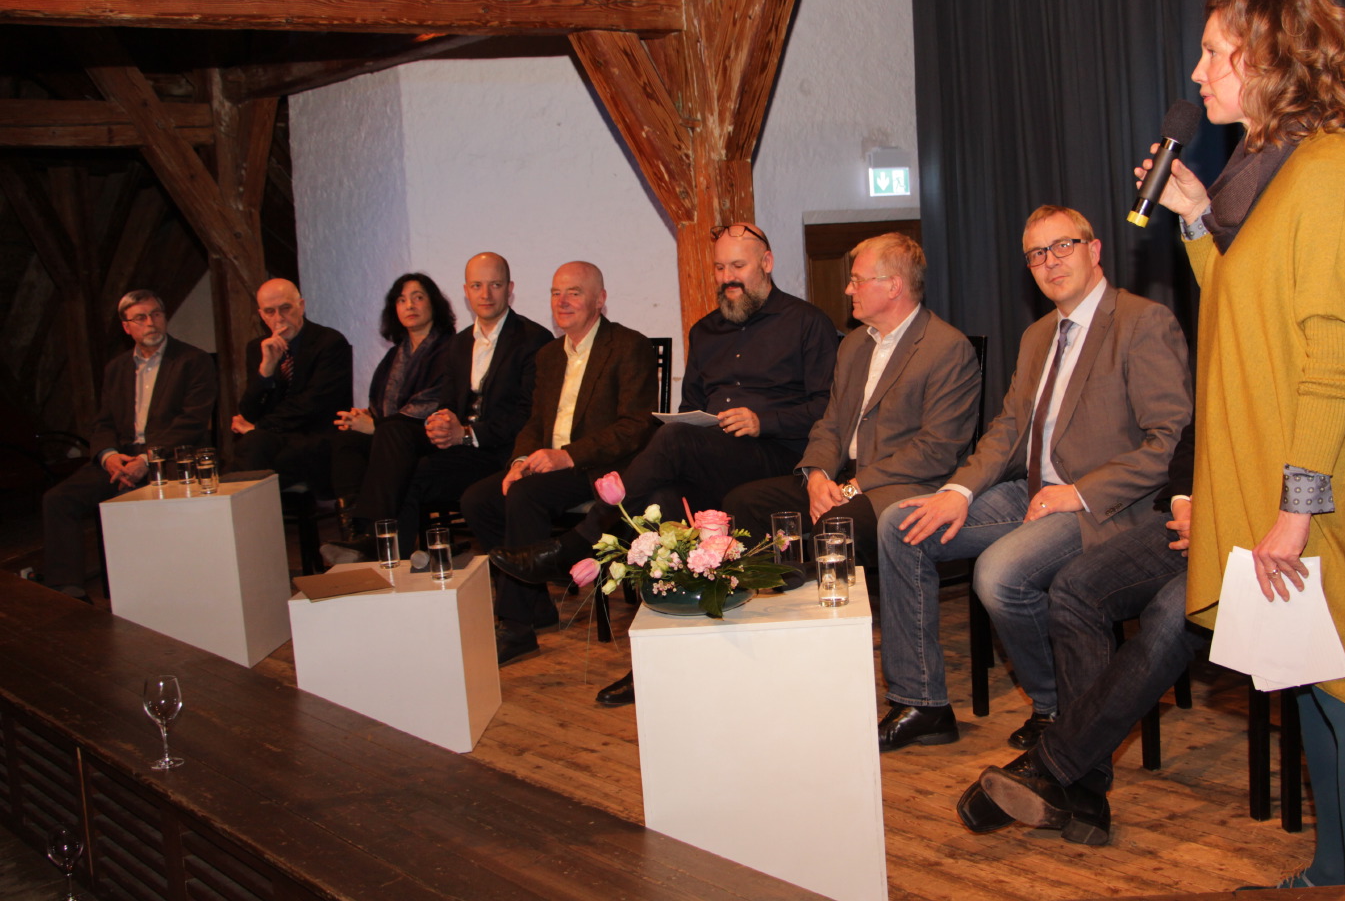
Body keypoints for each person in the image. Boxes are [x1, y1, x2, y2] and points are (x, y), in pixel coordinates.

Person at [1155, 0, 1345, 887]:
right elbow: (1246, 307)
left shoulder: (1331, 173)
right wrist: (1197, 224)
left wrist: (1298, 511)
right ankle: (1328, 879)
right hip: (1291, 480)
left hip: (1323, 488)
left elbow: (1336, 354)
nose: (1199, 73)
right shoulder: (1274, 172)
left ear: (1267, 61)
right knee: (1312, 680)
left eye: (1214, 53)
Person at [875, 206, 1191, 753]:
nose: (1051, 262)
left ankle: (1059, 709)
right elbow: (1008, 429)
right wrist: (957, 491)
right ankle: (921, 702)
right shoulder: (1038, 334)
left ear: (1094, 250)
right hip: (1033, 493)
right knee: (900, 524)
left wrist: (1079, 493)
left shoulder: (1142, 321)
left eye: (1063, 246)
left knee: (1000, 574)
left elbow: (1169, 441)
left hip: (1108, 506)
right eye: (1037, 254)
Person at [490, 222, 837, 705]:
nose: (727, 277)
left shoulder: (807, 323)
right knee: (660, 499)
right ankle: (658, 662)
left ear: (767, 263)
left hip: (776, 455)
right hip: (712, 454)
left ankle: (577, 543)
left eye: (738, 266)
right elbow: (691, 406)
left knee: (671, 441)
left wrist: (764, 420)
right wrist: (694, 421)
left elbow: (828, 408)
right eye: (719, 267)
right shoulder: (705, 330)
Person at [955, 424, 1202, 846]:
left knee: (1168, 616)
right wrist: (1184, 502)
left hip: (1267, 542)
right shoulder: (1228, 382)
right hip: (1192, 521)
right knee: (1075, 589)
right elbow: (1192, 442)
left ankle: (1050, 763)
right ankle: (1086, 787)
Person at [723, 232, 980, 576]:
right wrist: (817, 476)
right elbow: (830, 423)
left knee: (834, 526)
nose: (848, 290)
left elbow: (936, 451)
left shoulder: (946, 348)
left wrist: (851, 487)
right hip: (843, 478)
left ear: (893, 286)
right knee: (743, 504)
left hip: (903, 486)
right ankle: (782, 600)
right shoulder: (854, 344)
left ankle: (829, 608)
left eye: (857, 280)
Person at [459, 262, 659, 664]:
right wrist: (519, 460)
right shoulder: (549, 355)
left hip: (600, 468)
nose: (562, 302)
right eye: (555, 293)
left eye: (574, 293)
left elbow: (635, 427)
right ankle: (536, 604)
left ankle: (517, 627)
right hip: (549, 467)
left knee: (525, 497)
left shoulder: (628, 346)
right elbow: (535, 422)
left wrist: (567, 455)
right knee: (478, 500)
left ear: (600, 300)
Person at [357, 252, 551, 553]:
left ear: (510, 289)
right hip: (460, 450)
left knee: (406, 474)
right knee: (392, 432)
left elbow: (528, 415)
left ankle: (378, 548)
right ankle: (381, 548)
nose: (485, 294)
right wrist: (440, 423)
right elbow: (446, 403)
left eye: (495, 285)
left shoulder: (533, 338)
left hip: (500, 452)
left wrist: (466, 434)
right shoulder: (459, 343)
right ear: (465, 291)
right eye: (476, 286)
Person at [37, 290, 217, 599]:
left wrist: (146, 460)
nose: (151, 323)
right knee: (58, 500)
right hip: (122, 456)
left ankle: (144, 593)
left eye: (156, 314)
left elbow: (192, 422)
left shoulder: (192, 360)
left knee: (129, 499)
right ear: (126, 327)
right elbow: (103, 422)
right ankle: (67, 589)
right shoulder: (116, 368)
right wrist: (108, 457)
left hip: (170, 457)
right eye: (141, 318)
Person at [327, 272, 454, 550]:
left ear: (434, 303)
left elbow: (435, 400)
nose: (409, 305)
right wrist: (365, 419)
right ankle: (353, 532)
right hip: (393, 432)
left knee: (392, 433)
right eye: (401, 300)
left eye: (418, 298)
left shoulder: (451, 348)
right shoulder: (394, 355)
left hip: (431, 434)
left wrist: (377, 426)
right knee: (346, 439)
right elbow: (382, 404)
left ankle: (375, 534)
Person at [231, 279, 352, 495]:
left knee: (251, 458)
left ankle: (238, 509)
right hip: (272, 440)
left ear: (301, 306)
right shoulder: (257, 348)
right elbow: (249, 411)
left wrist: (259, 427)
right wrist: (265, 370)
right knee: (253, 452)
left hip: (315, 436)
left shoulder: (329, 342)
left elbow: (312, 404)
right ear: (262, 315)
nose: (278, 318)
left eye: (285, 308)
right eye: (270, 312)